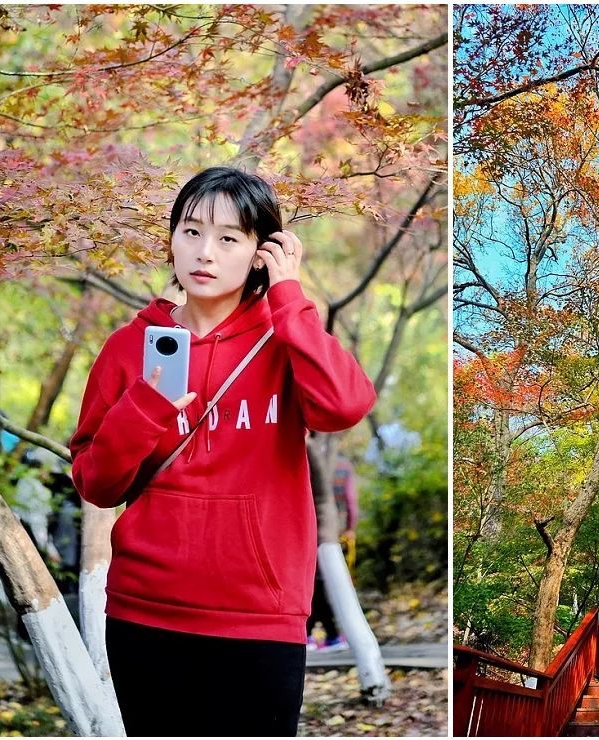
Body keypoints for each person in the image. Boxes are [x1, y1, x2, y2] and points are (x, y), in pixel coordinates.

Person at [69, 167, 375, 736]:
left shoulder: (286, 338)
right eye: (190, 231)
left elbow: (343, 406)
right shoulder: (129, 348)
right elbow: (96, 483)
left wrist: (290, 299)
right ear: (171, 240)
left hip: (260, 614)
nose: (205, 252)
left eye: (229, 238)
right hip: (144, 611)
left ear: (262, 252)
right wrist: (147, 405)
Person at [306, 455, 359, 652]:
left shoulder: (306, 458)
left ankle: (318, 633)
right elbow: (350, 501)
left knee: (316, 583)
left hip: (306, 530)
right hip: (332, 532)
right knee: (322, 584)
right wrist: (349, 528)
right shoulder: (343, 466)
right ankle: (328, 634)